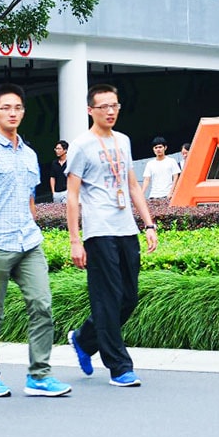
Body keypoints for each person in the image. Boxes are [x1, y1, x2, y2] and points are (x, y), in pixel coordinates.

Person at [0, 83, 72, 398]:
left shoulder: (29, 153)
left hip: (29, 243)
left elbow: (29, 199)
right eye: (6, 108)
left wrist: (33, 225)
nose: (12, 113)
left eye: (18, 108)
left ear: (23, 112)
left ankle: (39, 376)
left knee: (42, 305)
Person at [65, 83, 158, 387]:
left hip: (125, 229)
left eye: (114, 105)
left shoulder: (124, 141)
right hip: (99, 231)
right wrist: (75, 241)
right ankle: (119, 366)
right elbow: (73, 195)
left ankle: (83, 339)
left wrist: (148, 224)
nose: (110, 111)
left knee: (128, 298)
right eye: (103, 106)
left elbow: (132, 185)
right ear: (91, 110)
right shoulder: (81, 145)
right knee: (107, 299)